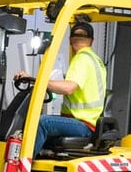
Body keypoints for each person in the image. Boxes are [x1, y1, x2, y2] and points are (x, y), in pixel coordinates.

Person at [14, 22, 107, 157]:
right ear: (91, 41)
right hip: (87, 123)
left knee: (42, 122)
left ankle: (23, 168)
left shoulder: (81, 59)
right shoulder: (96, 60)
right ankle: (39, 157)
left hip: (82, 125)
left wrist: (39, 81)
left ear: (70, 40)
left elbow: (69, 87)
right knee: (39, 121)